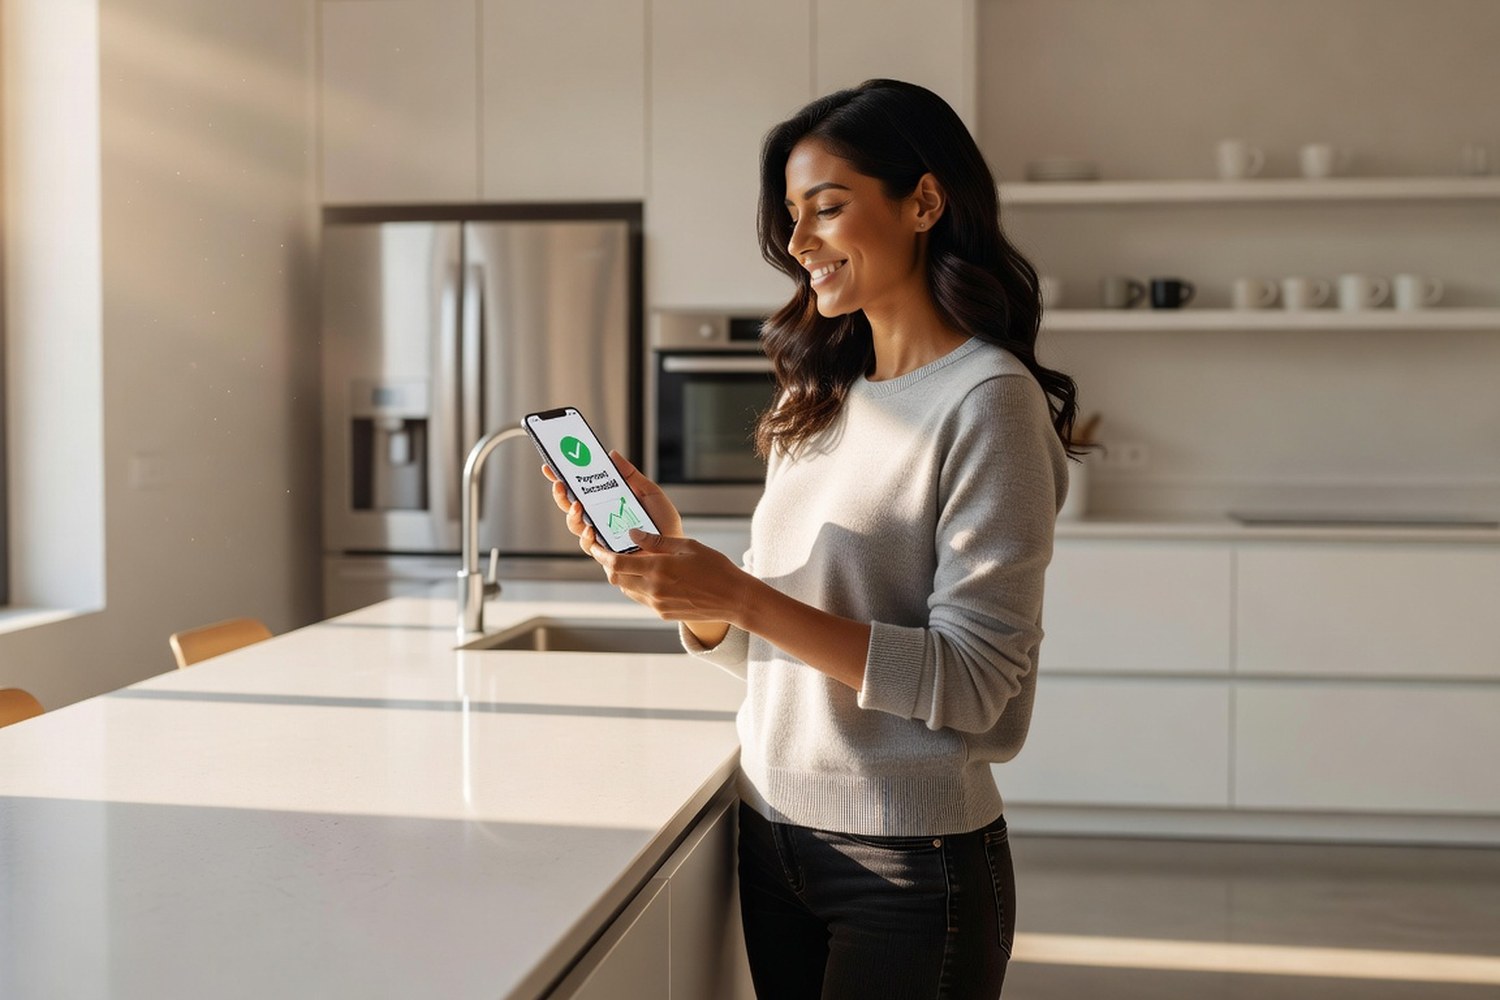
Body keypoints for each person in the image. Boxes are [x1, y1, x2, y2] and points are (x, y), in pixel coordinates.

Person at [544, 79, 1081, 999]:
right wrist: (693, 589)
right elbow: (778, 654)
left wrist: (738, 593)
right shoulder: (818, 396)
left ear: (924, 202)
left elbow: (977, 684)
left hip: (909, 863)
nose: (797, 244)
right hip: (771, 833)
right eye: (791, 216)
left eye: (826, 208)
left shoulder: (988, 402)